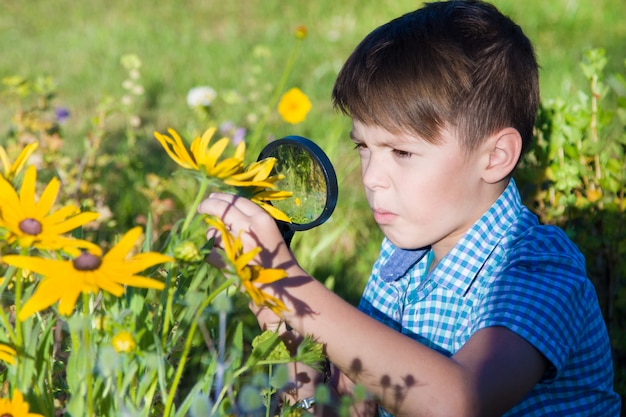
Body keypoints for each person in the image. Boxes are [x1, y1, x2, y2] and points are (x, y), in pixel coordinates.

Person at [198, 1, 622, 415]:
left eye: (401, 152)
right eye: (363, 146)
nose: (370, 177)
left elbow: (458, 401)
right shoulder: (401, 262)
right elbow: (338, 409)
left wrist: (285, 282)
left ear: (495, 157)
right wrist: (277, 315)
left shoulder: (537, 268)